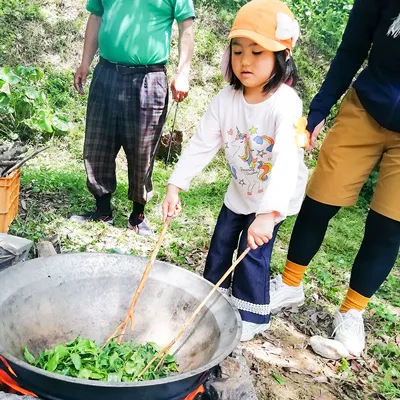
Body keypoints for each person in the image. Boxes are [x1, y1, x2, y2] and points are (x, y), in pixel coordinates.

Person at [162, 0, 307, 342]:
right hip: (241, 190)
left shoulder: (285, 104)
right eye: (238, 51)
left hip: (275, 196)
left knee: (251, 252)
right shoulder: (225, 101)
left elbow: (286, 162)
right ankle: (211, 298)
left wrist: (269, 215)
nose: (245, 61)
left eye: (258, 52)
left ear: (282, 58)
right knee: (222, 241)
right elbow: (200, 145)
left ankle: (252, 315)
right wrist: (175, 185)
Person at [270, 0, 400, 356]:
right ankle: (289, 283)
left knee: (389, 226)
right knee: (319, 200)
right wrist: (319, 109)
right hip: (366, 105)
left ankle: (352, 313)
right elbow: (353, 46)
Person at [71, 0, 195, 236]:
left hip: (149, 77)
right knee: (98, 143)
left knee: (143, 149)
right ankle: (102, 209)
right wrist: (85, 63)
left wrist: (183, 73)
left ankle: (138, 214)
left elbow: (186, 27)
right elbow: (96, 17)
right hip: (107, 71)